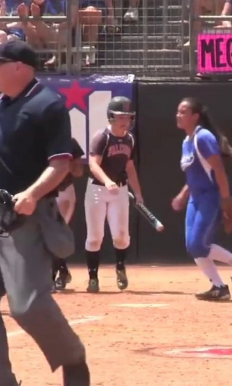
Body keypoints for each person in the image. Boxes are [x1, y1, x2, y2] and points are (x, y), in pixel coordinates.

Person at [0, 40, 90, 386]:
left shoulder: (48, 105)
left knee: (27, 305)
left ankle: (73, 357)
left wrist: (32, 194)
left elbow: (61, 164)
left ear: (19, 66)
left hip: (28, 219)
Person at [172, 97, 232, 301]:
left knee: (198, 244)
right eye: (178, 112)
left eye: (183, 112)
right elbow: (194, 174)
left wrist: (225, 199)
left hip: (210, 196)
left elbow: (218, 170)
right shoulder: (186, 141)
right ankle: (220, 286)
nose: (178, 115)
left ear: (195, 116)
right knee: (193, 246)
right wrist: (183, 195)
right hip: (196, 198)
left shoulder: (203, 137)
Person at [83, 96, 143, 293]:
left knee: (121, 236)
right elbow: (93, 164)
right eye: (121, 117)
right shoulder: (102, 137)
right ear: (111, 117)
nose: (125, 121)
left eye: (128, 117)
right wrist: (107, 181)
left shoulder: (130, 139)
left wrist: (138, 193)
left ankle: (120, 267)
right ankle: (93, 277)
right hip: (98, 190)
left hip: (120, 190)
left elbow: (130, 167)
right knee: (95, 237)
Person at [53, 137, 85, 291]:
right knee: (43, 234)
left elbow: (79, 172)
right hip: (41, 193)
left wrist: (70, 164)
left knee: (55, 233)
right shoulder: (33, 138)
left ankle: (52, 277)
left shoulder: (69, 142)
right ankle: (63, 271)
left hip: (63, 192)